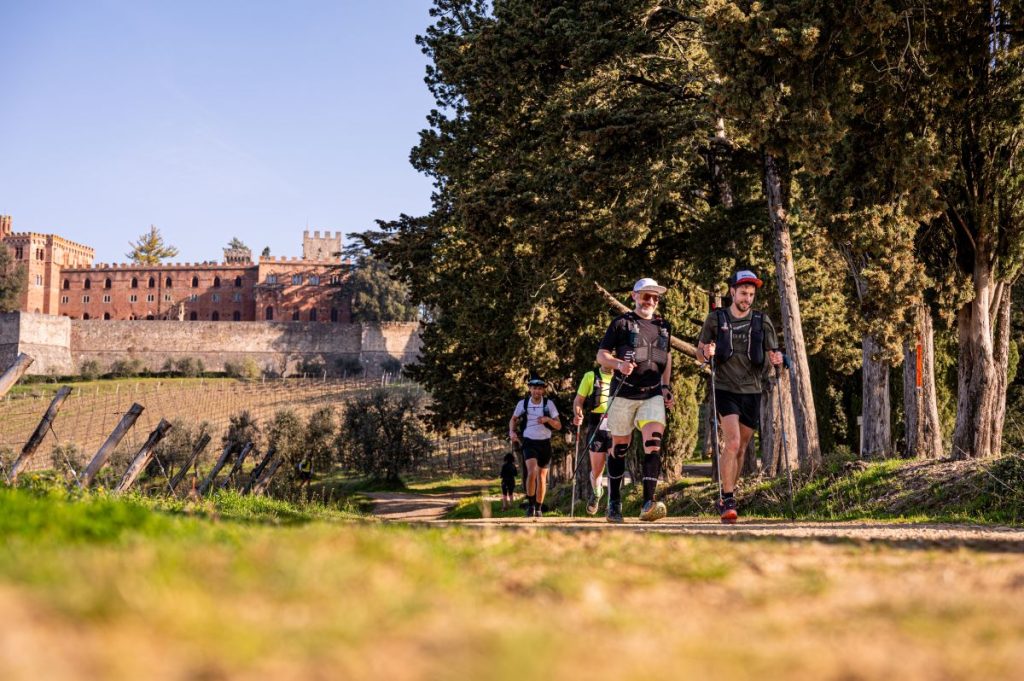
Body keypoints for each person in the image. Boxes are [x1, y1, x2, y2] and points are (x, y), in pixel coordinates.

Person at [696, 269, 784, 524]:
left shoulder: (762, 321)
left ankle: (728, 496)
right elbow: (699, 354)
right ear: (732, 292)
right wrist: (706, 352)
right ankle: (728, 499)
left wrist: (778, 359)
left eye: (751, 294)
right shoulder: (716, 319)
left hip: (752, 390)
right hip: (725, 387)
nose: (747, 298)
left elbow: (773, 353)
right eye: (743, 293)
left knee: (742, 447)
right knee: (732, 442)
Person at [596, 278, 674, 523]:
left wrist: (665, 387)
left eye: (654, 297)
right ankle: (614, 501)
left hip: (652, 394)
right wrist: (619, 364)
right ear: (634, 296)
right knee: (619, 448)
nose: (650, 301)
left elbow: (667, 357)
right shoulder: (621, 323)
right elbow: (601, 355)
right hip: (624, 393)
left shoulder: (664, 326)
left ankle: (648, 503)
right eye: (645, 296)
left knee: (653, 443)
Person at [509, 377, 562, 518]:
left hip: (545, 443)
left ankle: (538, 508)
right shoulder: (523, 403)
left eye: (539, 389)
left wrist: (548, 419)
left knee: (542, 477)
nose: (536, 391)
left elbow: (559, 425)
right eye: (534, 388)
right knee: (532, 472)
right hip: (529, 441)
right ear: (530, 389)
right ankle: (531, 505)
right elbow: (513, 419)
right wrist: (512, 432)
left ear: (543, 390)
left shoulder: (548, 404)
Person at [572, 364, 614, 515]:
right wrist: (578, 413)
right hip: (596, 424)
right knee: (597, 470)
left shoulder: (621, 377)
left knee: (615, 465)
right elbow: (578, 400)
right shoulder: (590, 376)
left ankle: (613, 504)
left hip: (616, 424)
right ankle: (597, 492)